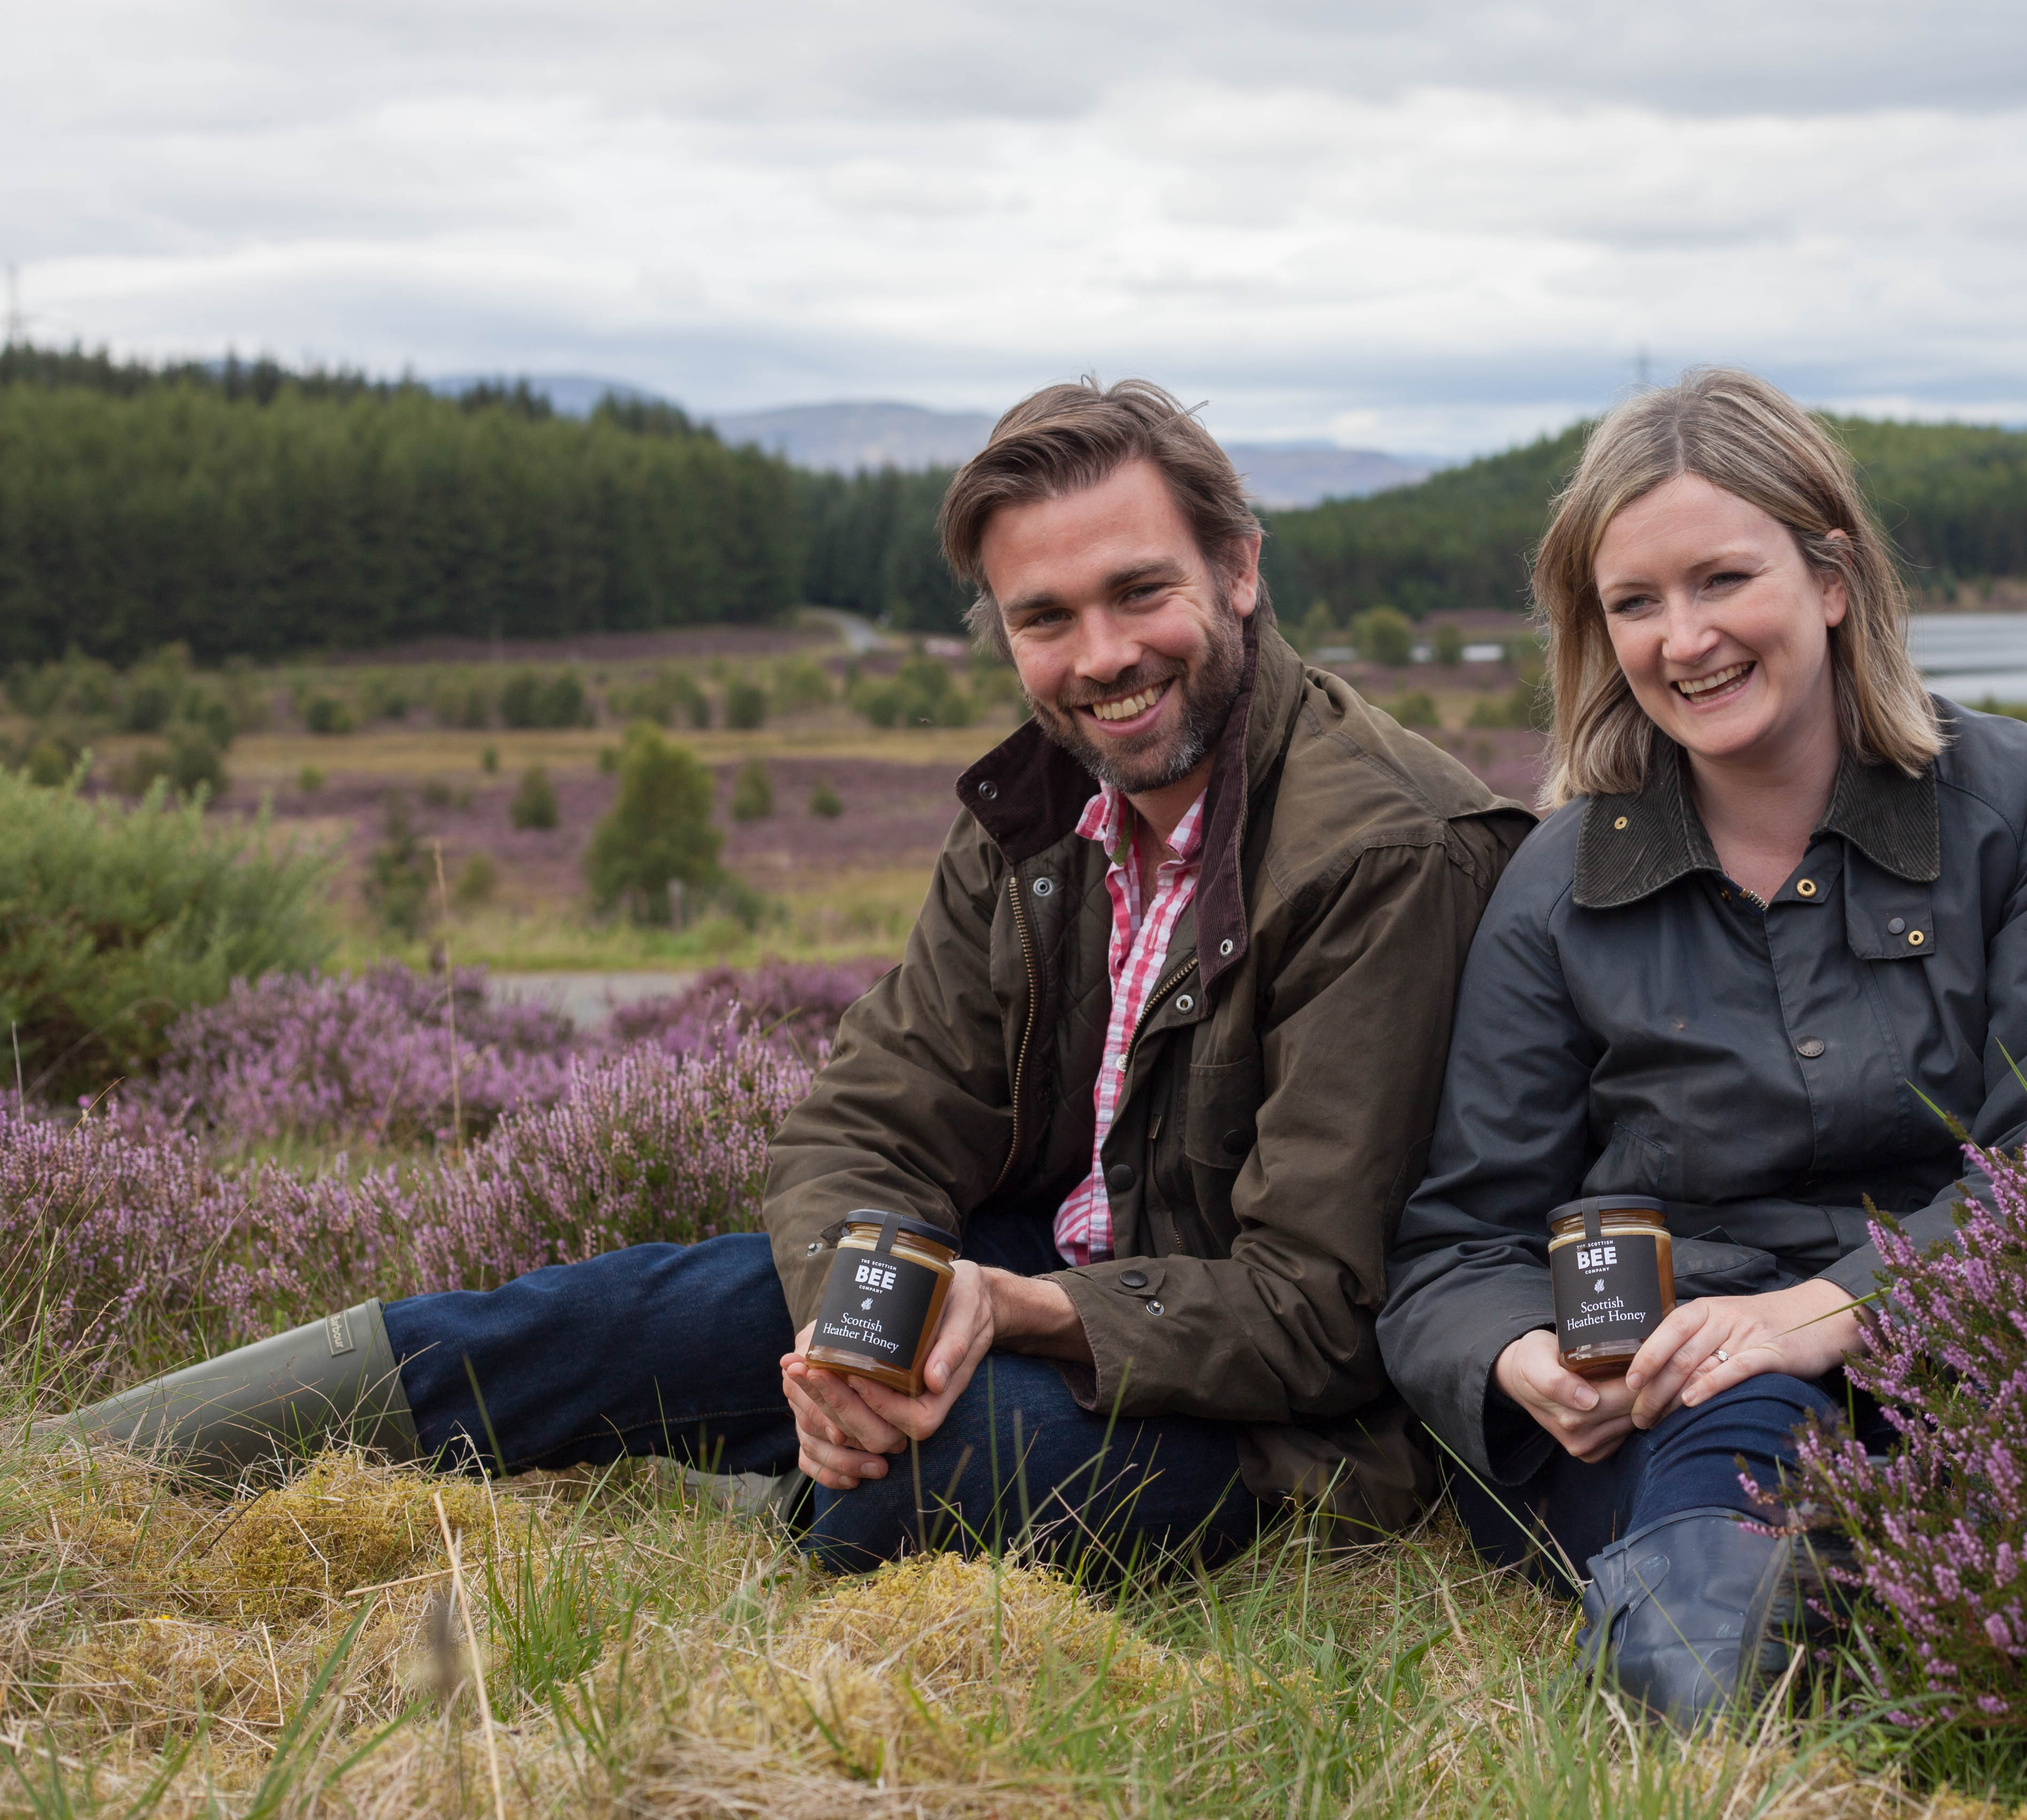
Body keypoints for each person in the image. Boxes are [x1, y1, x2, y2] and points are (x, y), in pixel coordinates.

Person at [66, 378, 1534, 1571]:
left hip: (1269, 1421)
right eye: (1043, 618)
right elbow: (866, 1128)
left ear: (1237, 570)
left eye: (1136, 592)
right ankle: (77, 1479)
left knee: (925, 1479)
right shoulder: (1040, 813)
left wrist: (1005, 1318)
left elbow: (1321, 1309)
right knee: (614, 1317)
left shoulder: (1383, 847)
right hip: (1037, 1285)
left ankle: (779, 1491)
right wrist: (854, 1333)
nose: (1100, 657)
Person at [1377, 368, 2027, 1723]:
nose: (1684, 640)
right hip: (1679, 1395)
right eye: (1634, 604)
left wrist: (1834, 1309)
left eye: (1721, 581)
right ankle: (1740, 1676)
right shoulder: (1560, 880)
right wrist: (1519, 1357)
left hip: (1990, 1354)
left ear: (1831, 578)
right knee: (1723, 1536)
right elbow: (1462, 1241)